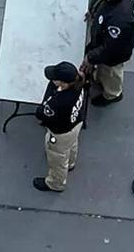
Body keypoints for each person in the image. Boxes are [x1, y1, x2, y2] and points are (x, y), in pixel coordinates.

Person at [82, 0, 134, 106]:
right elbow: (102, 0)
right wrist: (94, 10)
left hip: (115, 53)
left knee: (111, 72)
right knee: (102, 66)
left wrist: (91, 57)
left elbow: (110, 48)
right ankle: (100, 77)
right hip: (105, 40)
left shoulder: (120, 20)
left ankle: (112, 94)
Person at [33, 61, 86, 193]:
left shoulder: (59, 102)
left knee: (57, 157)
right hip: (75, 124)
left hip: (60, 134)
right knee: (72, 144)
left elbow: (41, 113)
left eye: (55, 79)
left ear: (63, 82)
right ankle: (71, 163)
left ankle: (56, 183)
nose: (52, 81)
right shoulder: (79, 85)